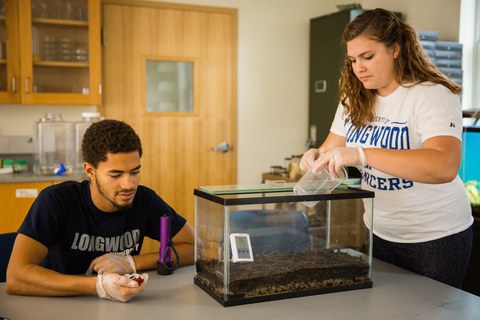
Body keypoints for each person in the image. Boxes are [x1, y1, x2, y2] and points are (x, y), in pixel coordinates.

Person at [300, 8, 473, 288]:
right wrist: (314, 158)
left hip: (435, 236)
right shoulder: (352, 98)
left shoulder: (431, 95)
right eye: (353, 60)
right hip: (379, 231)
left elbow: (444, 166)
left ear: (395, 49)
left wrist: (362, 155)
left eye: (368, 57)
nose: (359, 68)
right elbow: (330, 150)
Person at [5, 119, 195, 302]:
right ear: (90, 171)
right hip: (59, 305)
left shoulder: (145, 200)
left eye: (135, 172)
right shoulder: (57, 201)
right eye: (115, 174)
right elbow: (16, 277)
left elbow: (196, 248)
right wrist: (98, 286)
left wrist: (132, 262)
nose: (129, 185)